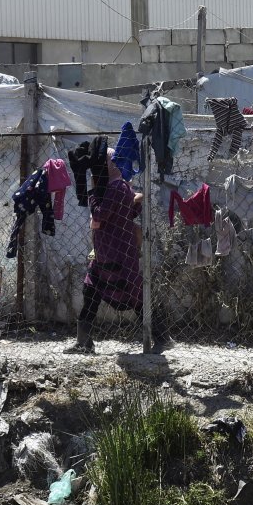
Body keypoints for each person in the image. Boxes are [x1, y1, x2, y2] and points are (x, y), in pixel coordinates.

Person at [65, 149, 171, 354]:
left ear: (110, 165)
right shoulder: (114, 188)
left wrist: (93, 194)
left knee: (136, 295)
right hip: (104, 252)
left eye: (100, 164)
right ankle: (84, 342)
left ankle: (161, 337)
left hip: (119, 254)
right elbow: (129, 209)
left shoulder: (116, 187)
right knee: (91, 292)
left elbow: (100, 213)